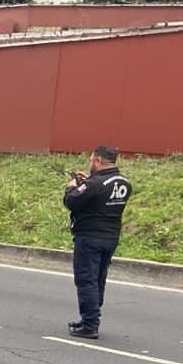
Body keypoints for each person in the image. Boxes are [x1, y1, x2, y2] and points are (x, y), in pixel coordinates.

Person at [62, 145, 132, 339]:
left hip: (90, 236)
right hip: (110, 237)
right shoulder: (124, 182)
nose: (90, 163)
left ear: (98, 161)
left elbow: (72, 201)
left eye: (91, 160)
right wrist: (87, 182)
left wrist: (71, 187)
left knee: (86, 280)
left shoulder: (94, 184)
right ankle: (89, 318)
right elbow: (98, 193)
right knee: (99, 278)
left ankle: (90, 324)